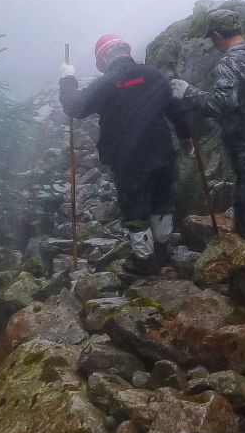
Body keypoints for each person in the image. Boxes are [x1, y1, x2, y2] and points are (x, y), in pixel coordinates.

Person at [59, 34, 192, 276]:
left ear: (103, 59)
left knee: (134, 209)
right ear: (127, 51)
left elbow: (75, 107)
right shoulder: (154, 75)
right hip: (162, 153)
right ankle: (162, 250)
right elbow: (175, 109)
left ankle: (145, 260)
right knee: (161, 201)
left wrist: (67, 79)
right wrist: (185, 137)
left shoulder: (108, 82)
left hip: (128, 159)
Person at [169, 8, 245, 242]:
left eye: (212, 38)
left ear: (217, 35)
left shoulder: (230, 63)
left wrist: (188, 92)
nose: (213, 43)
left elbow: (223, 104)